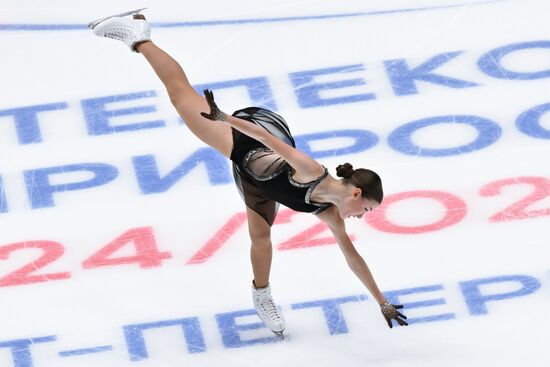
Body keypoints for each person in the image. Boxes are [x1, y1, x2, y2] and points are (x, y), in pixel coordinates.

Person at [89, 10, 408, 335]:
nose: (362, 216)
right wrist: (223, 117)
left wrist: (381, 301)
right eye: (366, 208)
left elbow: (352, 258)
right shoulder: (311, 171)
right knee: (179, 95)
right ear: (356, 192)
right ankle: (138, 33)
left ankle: (262, 295)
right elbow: (267, 138)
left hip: (257, 181)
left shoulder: (330, 213)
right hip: (249, 137)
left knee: (260, 236)